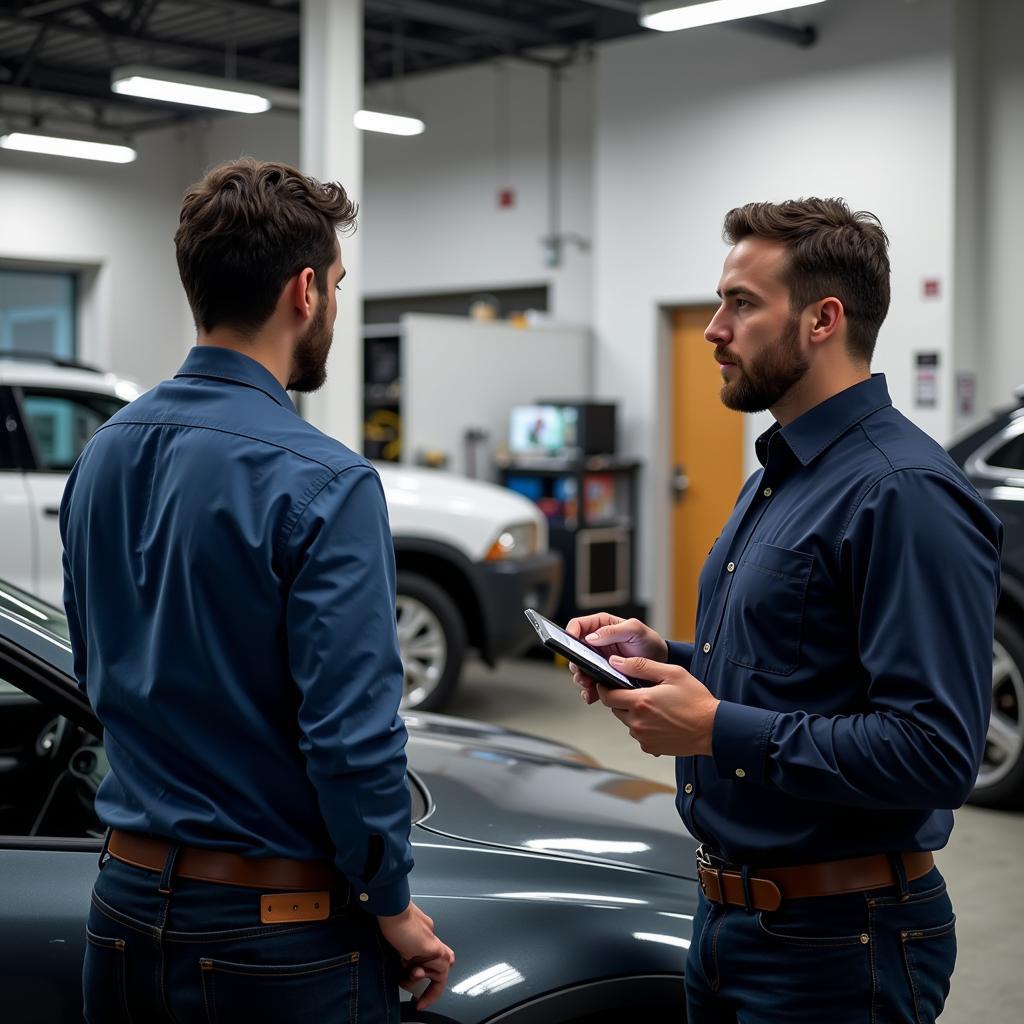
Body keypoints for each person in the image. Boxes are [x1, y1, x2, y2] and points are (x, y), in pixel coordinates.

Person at [566, 198, 1002, 1023]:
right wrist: (669, 659)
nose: (713, 329)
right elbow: (802, 666)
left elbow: (937, 751)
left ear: (822, 320)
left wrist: (715, 728)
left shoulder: (902, 492)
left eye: (741, 303)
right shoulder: (782, 471)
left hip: (841, 944)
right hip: (731, 922)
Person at [60, 158, 453, 1024]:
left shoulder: (100, 455)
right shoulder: (327, 482)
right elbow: (351, 739)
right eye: (340, 285)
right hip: (272, 939)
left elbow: (97, 673)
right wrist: (392, 906)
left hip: (119, 910)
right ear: (305, 291)